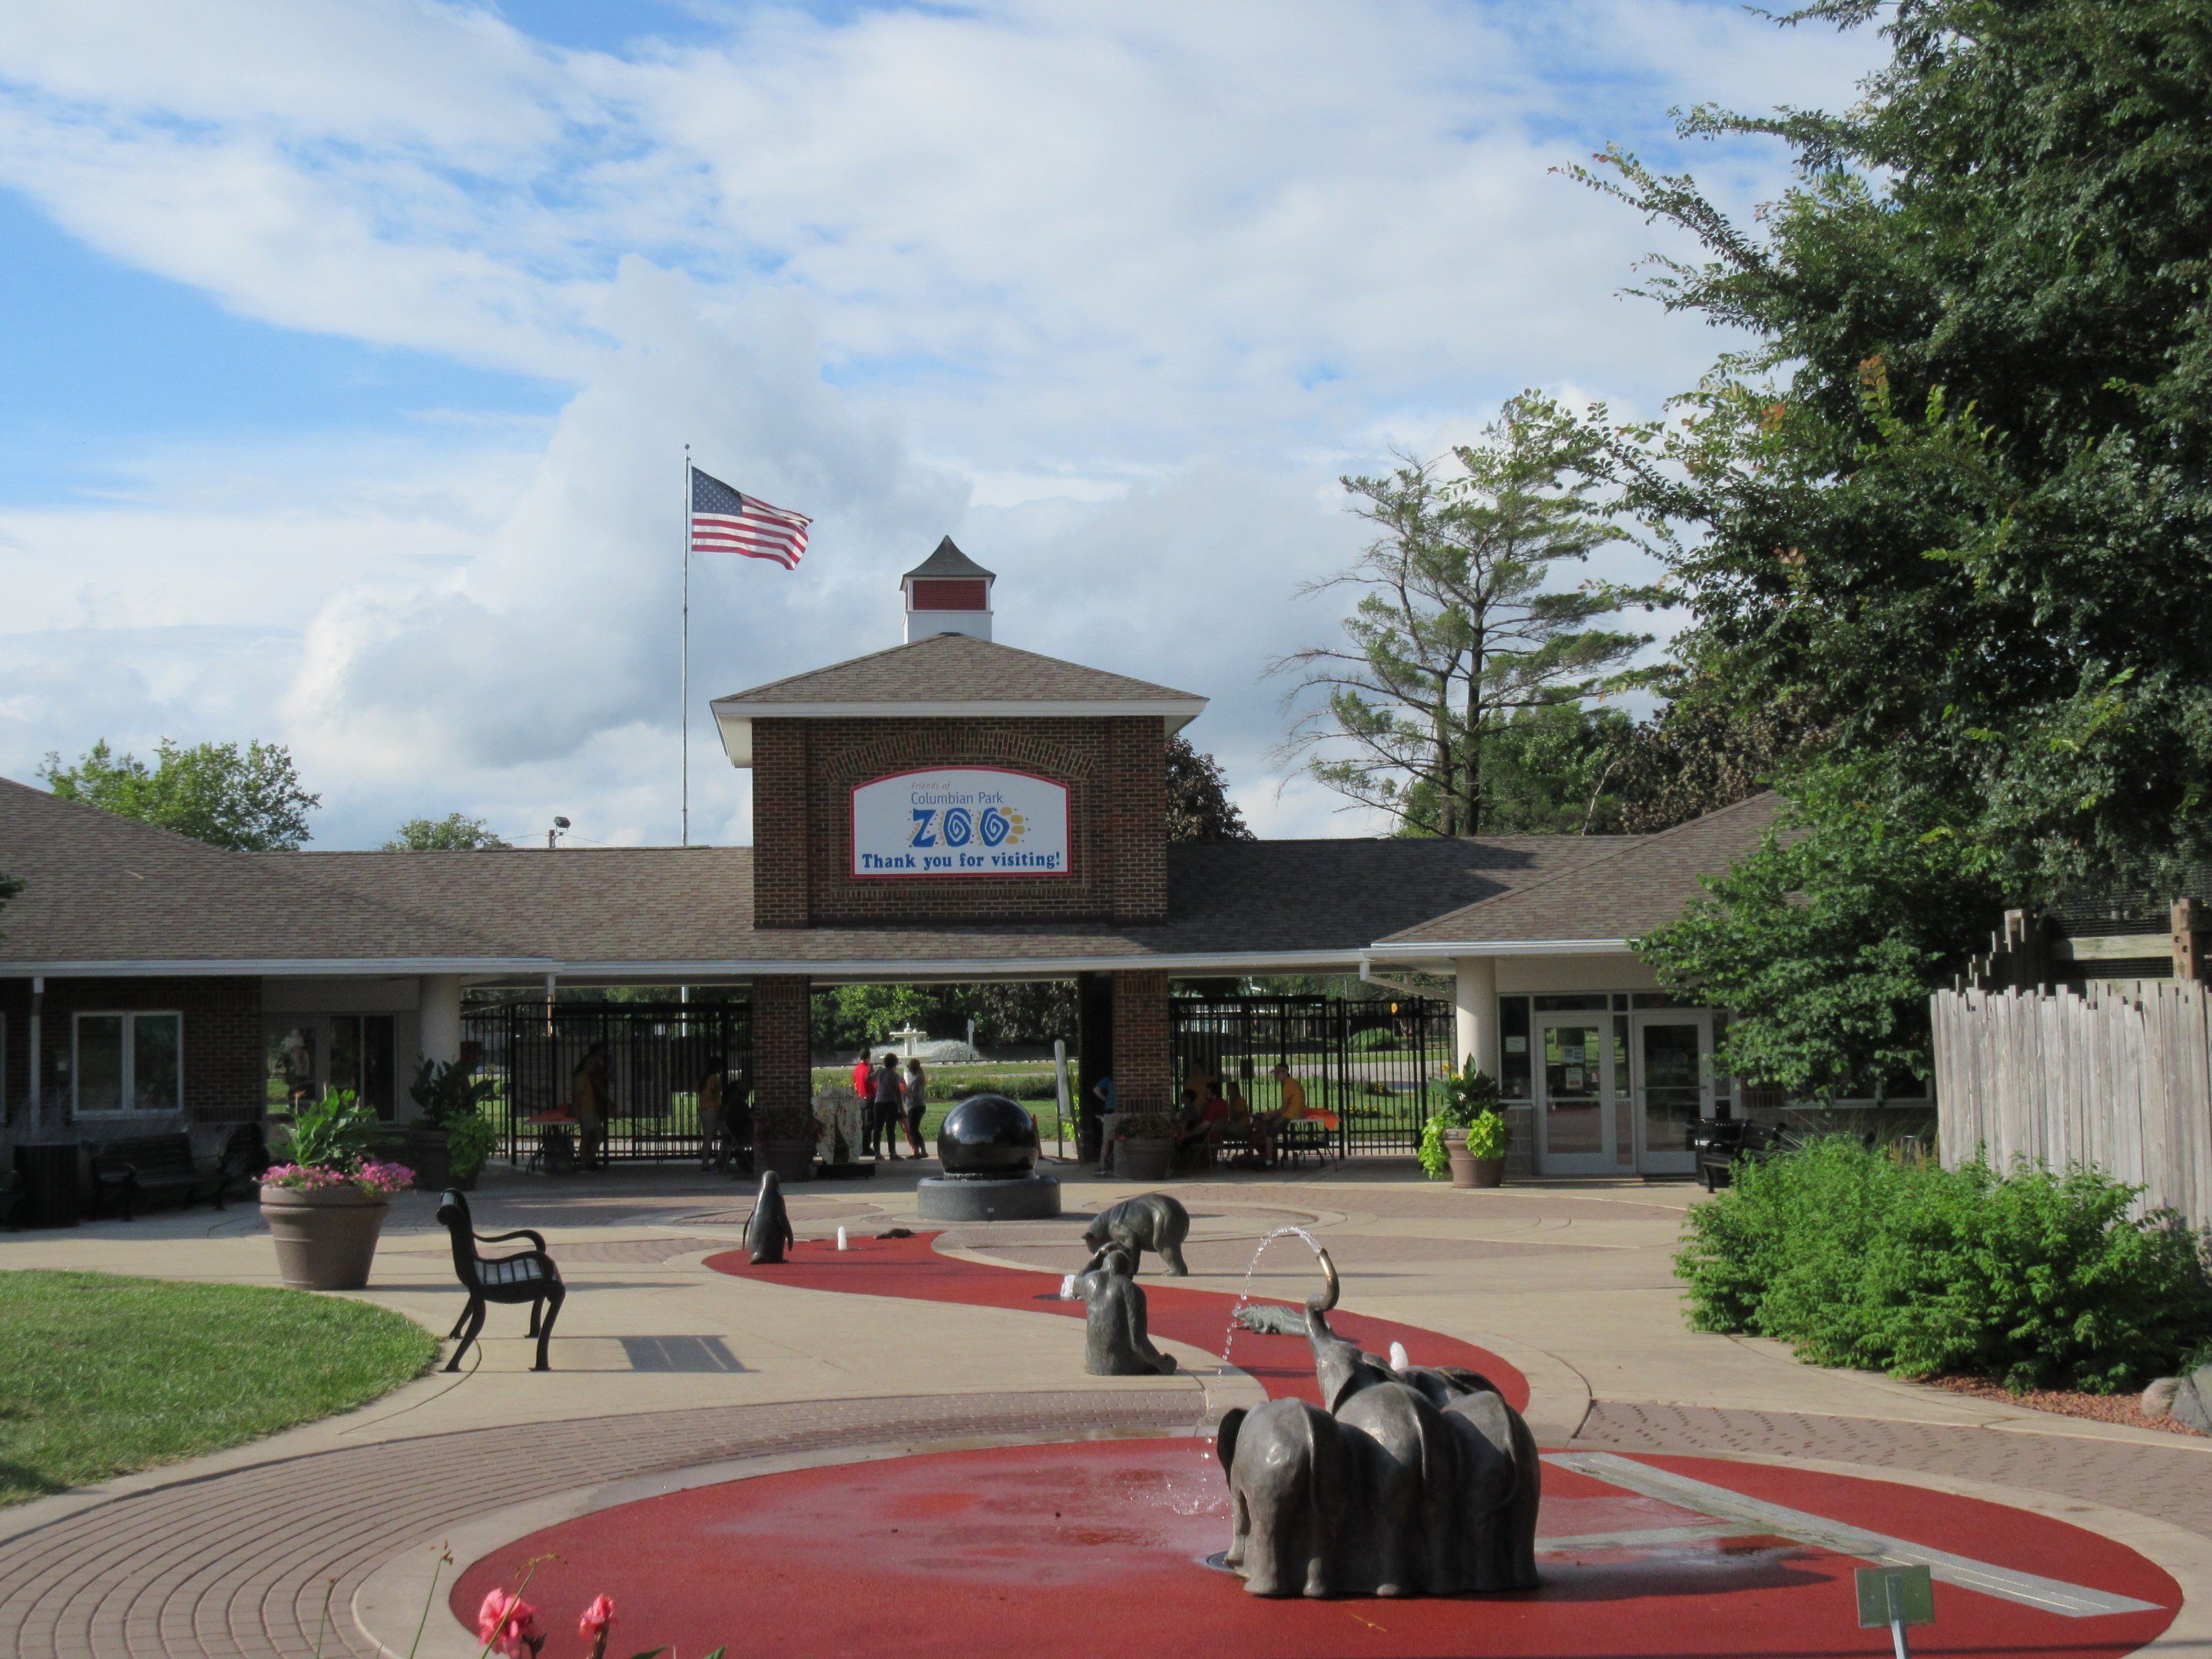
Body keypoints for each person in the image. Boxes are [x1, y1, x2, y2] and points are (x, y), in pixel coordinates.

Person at [572, 1042, 610, 1170]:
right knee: (587, 1138)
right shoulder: (581, 1077)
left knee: (598, 1136)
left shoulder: (587, 1077)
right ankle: (585, 1162)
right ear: (585, 1065)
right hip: (586, 1112)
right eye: (591, 1064)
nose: (593, 1065)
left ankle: (589, 1159)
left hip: (591, 1111)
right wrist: (577, 1112)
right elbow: (577, 1096)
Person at [871, 1050, 904, 1159]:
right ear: (895, 1063)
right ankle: (892, 1153)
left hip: (878, 1102)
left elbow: (868, 1079)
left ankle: (877, 1152)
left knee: (878, 1128)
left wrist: (870, 1071)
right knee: (890, 1129)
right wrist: (901, 1107)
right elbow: (897, 1092)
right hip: (891, 1103)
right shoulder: (895, 1076)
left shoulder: (879, 1072)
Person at [696, 1054, 726, 1170]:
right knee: (709, 1138)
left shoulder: (705, 1077)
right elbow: (712, 1093)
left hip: (703, 1108)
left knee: (707, 1137)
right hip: (711, 1109)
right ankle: (705, 1164)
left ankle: (707, 1162)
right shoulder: (714, 1078)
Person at [1091, 1074, 1117, 1174]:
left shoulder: (1108, 1080)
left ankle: (1102, 1164)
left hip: (1109, 1110)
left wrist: (1105, 1099)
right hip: (1121, 1110)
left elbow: (1096, 1090)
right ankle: (1112, 1160)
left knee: (1106, 1140)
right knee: (1119, 1138)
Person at [902, 1058, 929, 1157]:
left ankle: (921, 1151)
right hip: (915, 1107)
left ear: (912, 1068)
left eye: (909, 1065)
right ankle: (919, 1151)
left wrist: (905, 1092)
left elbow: (916, 1094)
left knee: (913, 1130)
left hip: (916, 1107)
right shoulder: (916, 1078)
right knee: (913, 1129)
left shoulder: (917, 1080)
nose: (908, 1067)